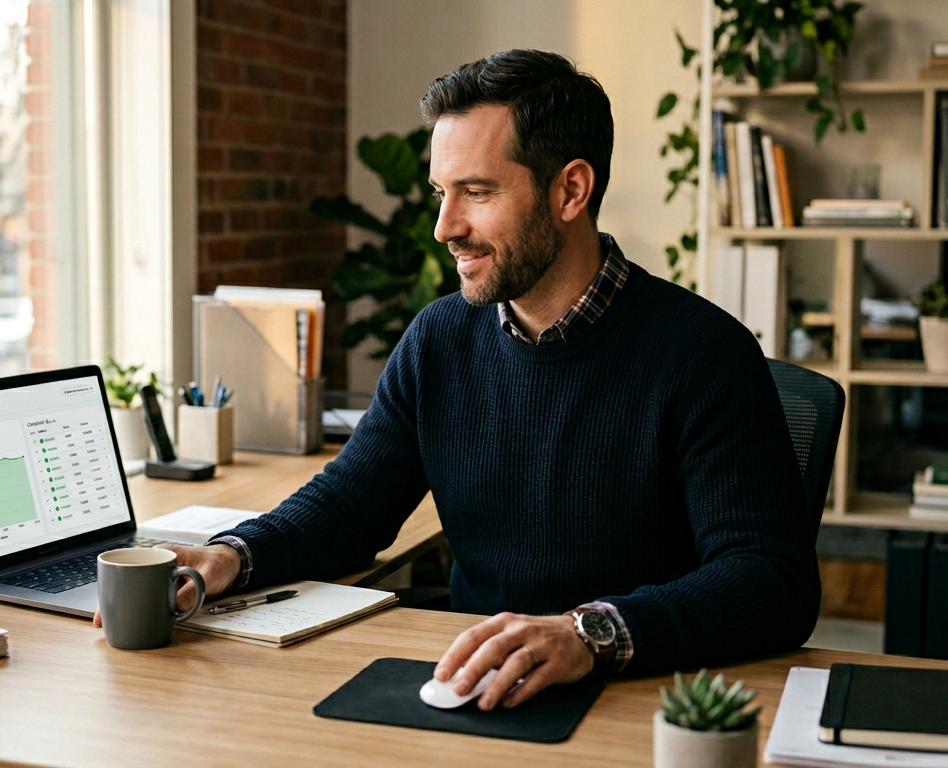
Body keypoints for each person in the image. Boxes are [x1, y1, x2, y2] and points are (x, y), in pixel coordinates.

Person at [98, 48, 820, 711]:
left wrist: (588, 634)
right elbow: (353, 506)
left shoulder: (703, 354)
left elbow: (770, 581)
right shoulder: (440, 339)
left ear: (571, 190)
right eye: (442, 191)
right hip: (471, 685)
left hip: (634, 697)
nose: (445, 226)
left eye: (475, 191)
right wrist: (231, 555)